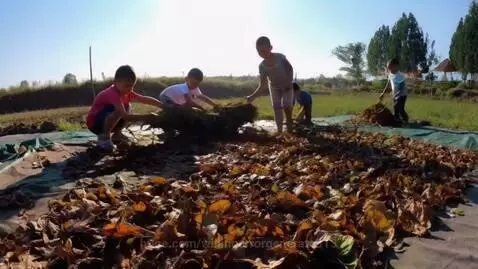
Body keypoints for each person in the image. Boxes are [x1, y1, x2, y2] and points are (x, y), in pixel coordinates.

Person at [86, 65, 163, 151]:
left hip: (106, 120)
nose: (129, 89)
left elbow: (143, 99)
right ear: (115, 82)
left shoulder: (127, 92)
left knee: (127, 106)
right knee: (120, 110)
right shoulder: (112, 93)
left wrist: (163, 106)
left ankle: (117, 135)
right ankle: (104, 138)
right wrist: (148, 116)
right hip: (95, 124)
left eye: (132, 86)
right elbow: (125, 116)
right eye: (127, 86)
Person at [246, 36, 294, 134]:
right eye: (259, 51)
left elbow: (290, 69)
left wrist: (289, 82)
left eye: (263, 50)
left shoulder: (280, 57)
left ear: (270, 48)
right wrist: (252, 96)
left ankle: (290, 130)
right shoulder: (262, 66)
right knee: (276, 107)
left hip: (287, 85)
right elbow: (262, 84)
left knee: (287, 107)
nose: (261, 54)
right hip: (274, 87)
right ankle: (280, 132)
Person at [380, 58, 409, 124]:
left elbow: (402, 87)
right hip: (395, 94)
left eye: (390, 67)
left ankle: (406, 120)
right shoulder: (390, 74)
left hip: (402, 95)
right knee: (395, 109)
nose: (389, 70)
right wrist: (383, 93)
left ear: (396, 66)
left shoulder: (400, 76)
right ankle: (397, 121)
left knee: (400, 109)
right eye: (388, 68)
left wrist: (397, 94)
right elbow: (388, 84)